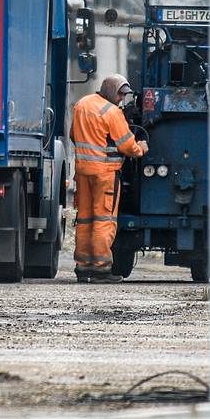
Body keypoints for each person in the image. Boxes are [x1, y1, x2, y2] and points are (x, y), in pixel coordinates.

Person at [68, 73, 148, 282]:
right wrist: (140, 148)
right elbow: (127, 145)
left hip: (83, 172)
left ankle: (83, 266)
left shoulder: (82, 105)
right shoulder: (112, 112)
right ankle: (101, 269)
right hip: (105, 174)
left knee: (85, 219)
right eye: (120, 95)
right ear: (112, 91)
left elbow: (73, 135)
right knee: (104, 220)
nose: (121, 99)